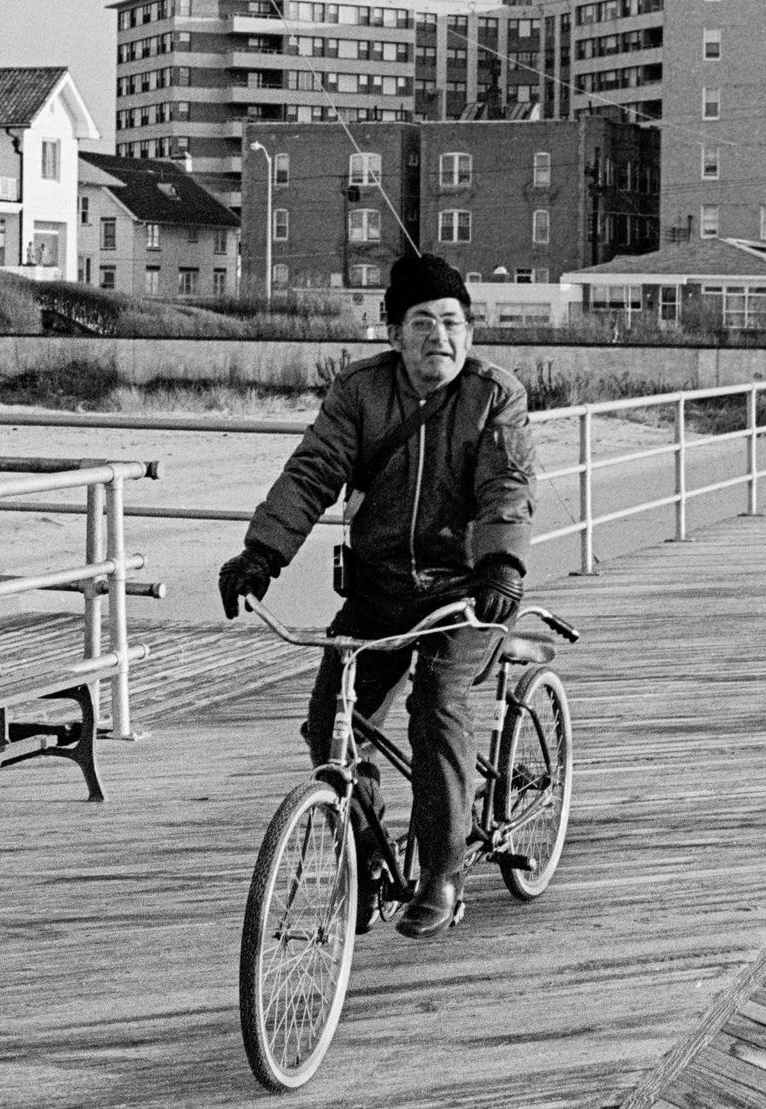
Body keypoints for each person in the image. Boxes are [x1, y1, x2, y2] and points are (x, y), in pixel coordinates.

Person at [218, 251, 535, 941]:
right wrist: (261, 554)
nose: (439, 339)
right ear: (393, 332)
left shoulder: (494, 395)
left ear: (471, 332)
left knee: (437, 707)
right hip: (378, 592)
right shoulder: (360, 392)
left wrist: (501, 566)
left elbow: (505, 488)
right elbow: (313, 472)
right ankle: (364, 853)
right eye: (422, 323)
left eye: (452, 323)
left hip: (462, 595)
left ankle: (444, 875)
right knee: (329, 721)